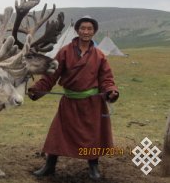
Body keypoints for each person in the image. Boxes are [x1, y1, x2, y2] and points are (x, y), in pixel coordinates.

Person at [28, 16, 119, 180]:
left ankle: (93, 167)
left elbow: (106, 79)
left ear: (94, 32)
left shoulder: (99, 56)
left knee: (92, 136)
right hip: (69, 103)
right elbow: (51, 76)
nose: (86, 31)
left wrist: (111, 91)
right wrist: (37, 89)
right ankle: (49, 166)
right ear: (77, 31)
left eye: (89, 29)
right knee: (58, 133)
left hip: (92, 104)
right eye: (83, 28)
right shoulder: (64, 52)